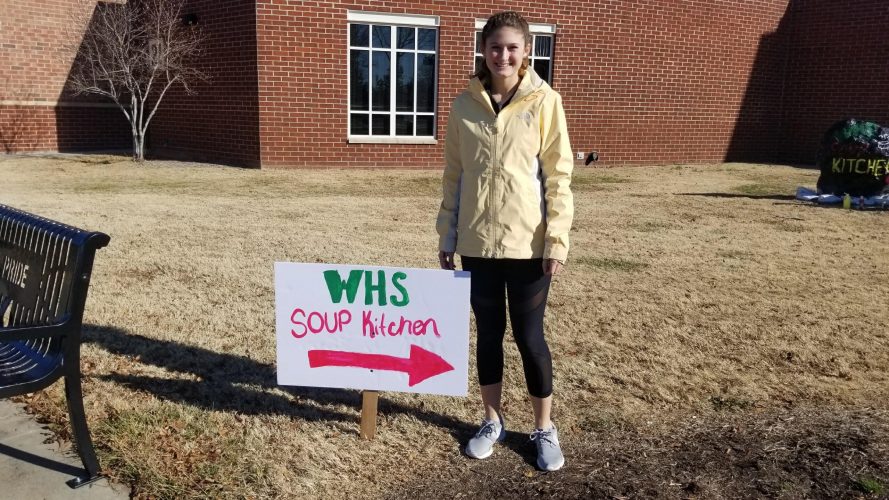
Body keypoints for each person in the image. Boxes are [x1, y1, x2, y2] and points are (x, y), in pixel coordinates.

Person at [436, 11, 574, 472]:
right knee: (489, 336)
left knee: (530, 338)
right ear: (484, 50)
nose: (503, 55)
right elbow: (454, 176)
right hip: (478, 245)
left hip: (528, 248)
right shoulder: (463, 106)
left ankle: (544, 428)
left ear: (526, 53)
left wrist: (556, 240)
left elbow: (559, 176)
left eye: (512, 47)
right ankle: (491, 419)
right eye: (495, 46)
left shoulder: (545, 102)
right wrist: (448, 233)